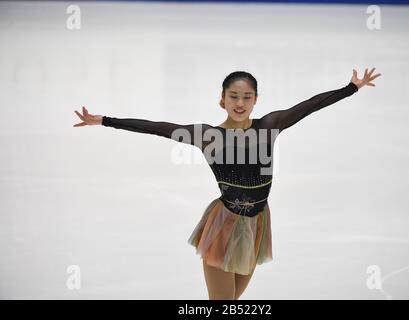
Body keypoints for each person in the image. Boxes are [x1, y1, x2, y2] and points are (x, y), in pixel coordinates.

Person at [73, 68, 381, 300]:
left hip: (258, 225)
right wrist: (106, 120)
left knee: (233, 302)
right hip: (224, 226)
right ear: (222, 99)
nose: (240, 102)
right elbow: (157, 128)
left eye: (247, 97)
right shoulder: (208, 136)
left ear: (256, 100)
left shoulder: (270, 126)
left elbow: (310, 105)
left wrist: (351, 88)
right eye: (233, 96)